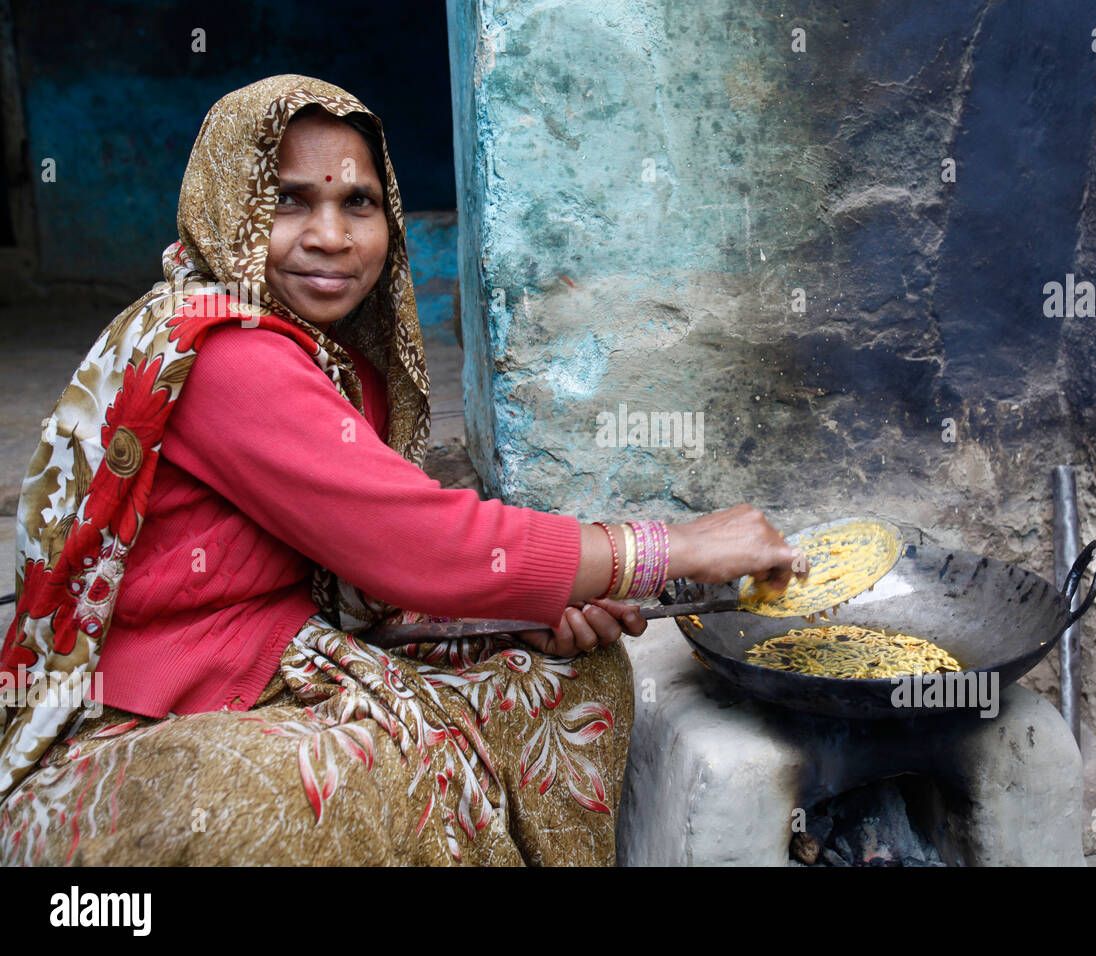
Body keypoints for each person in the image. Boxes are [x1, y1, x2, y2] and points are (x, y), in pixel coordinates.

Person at [0, 75, 801, 866]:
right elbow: (420, 544)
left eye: (359, 202)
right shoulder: (220, 352)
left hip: (277, 652)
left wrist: (508, 607)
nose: (331, 236)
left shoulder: (327, 356)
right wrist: (671, 548)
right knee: (290, 795)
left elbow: (374, 550)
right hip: (150, 714)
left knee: (569, 674)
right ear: (226, 205)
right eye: (288, 201)